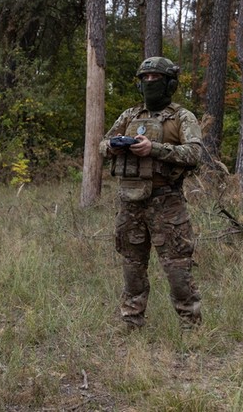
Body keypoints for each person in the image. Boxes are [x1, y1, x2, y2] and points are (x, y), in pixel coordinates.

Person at [98, 56, 204, 330]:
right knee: (132, 266)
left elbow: (195, 153)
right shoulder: (130, 116)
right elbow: (102, 145)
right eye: (145, 79)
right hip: (130, 202)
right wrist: (115, 147)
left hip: (166, 202)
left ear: (169, 84)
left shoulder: (182, 117)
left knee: (178, 268)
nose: (149, 83)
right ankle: (131, 322)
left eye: (156, 79)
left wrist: (154, 149)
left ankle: (191, 325)